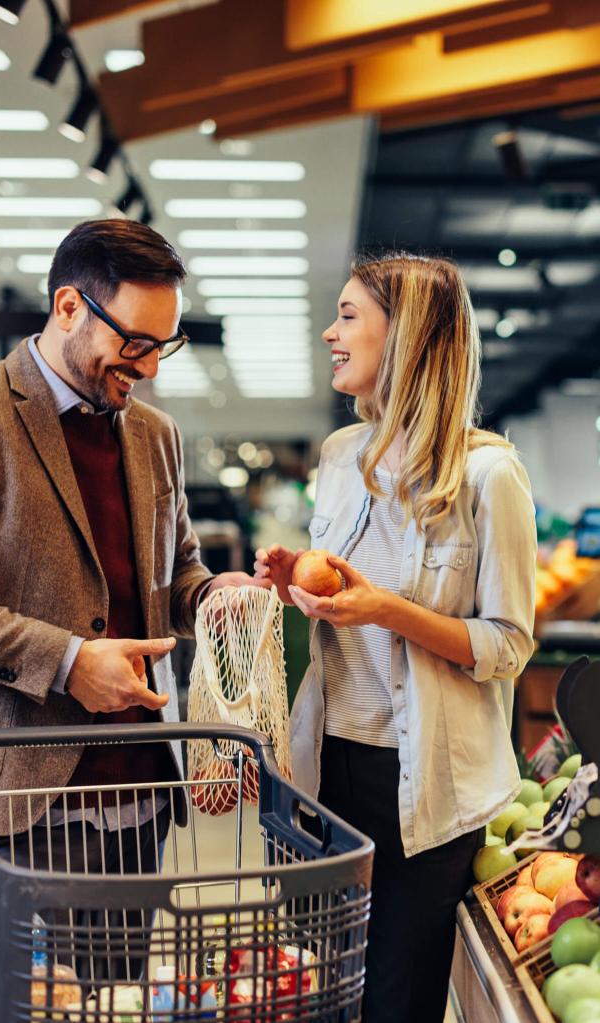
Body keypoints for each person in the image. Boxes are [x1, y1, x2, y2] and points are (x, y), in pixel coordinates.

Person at [0, 218, 262, 976]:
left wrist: (218, 593)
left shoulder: (155, 435)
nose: (147, 366)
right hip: (9, 805)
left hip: (136, 797)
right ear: (69, 306)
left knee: (111, 998)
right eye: (136, 341)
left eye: (162, 345)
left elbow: (171, 575)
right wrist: (67, 660)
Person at [254, 252, 536, 1023]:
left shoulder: (486, 475)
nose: (329, 332)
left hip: (427, 783)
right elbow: (339, 594)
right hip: (330, 765)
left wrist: (386, 609)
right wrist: (290, 581)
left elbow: (507, 644)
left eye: (347, 316)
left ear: (405, 333)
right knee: (324, 996)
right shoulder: (340, 458)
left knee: (396, 1003)